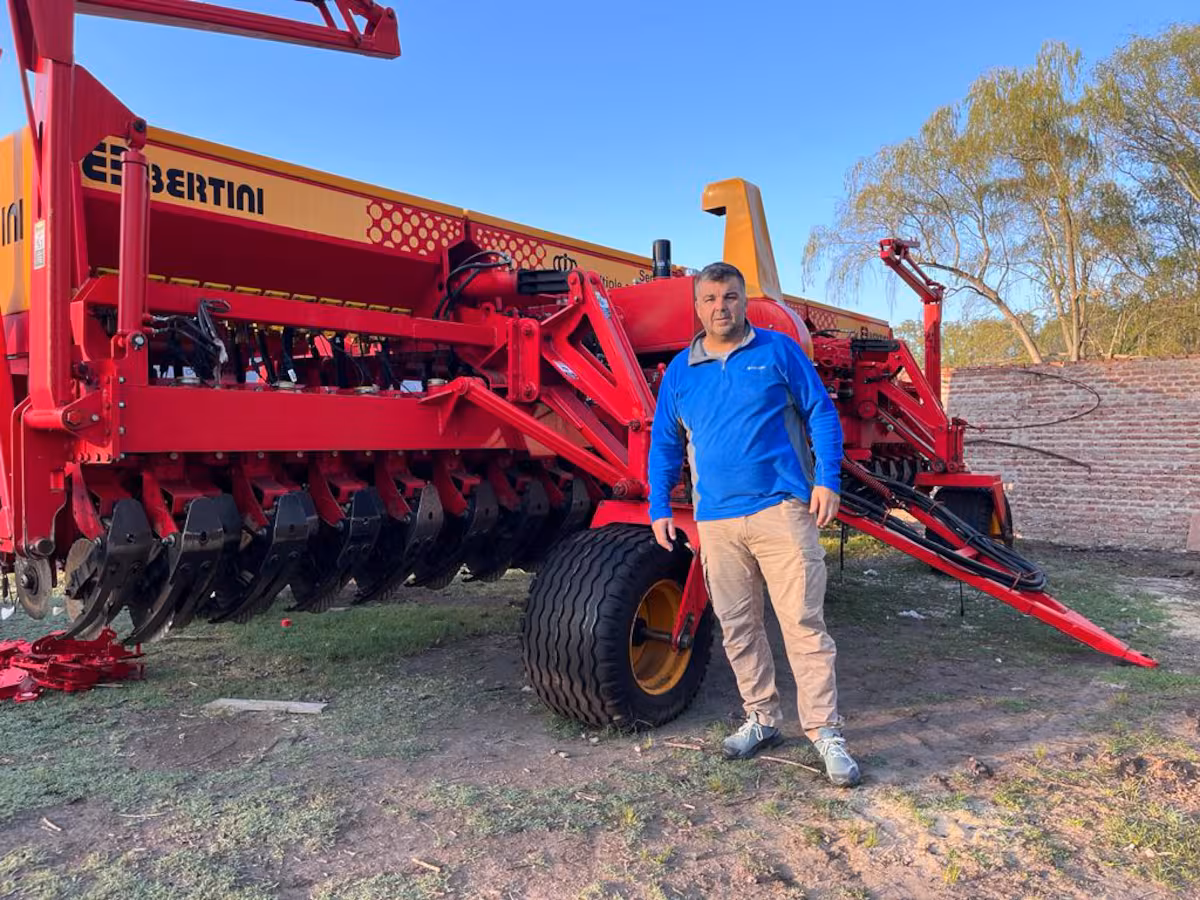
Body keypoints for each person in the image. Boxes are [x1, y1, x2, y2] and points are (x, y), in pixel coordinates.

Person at [647, 261, 860, 788]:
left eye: (731, 297)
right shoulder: (680, 371)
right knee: (739, 627)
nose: (722, 307)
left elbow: (821, 413)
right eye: (711, 299)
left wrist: (827, 479)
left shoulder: (778, 352)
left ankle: (825, 732)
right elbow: (665, 444)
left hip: (781, 509)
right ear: (696, 307)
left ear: (745, 301)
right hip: (716, 519)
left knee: (803, 625)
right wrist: (658, 505)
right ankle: (762, 717)